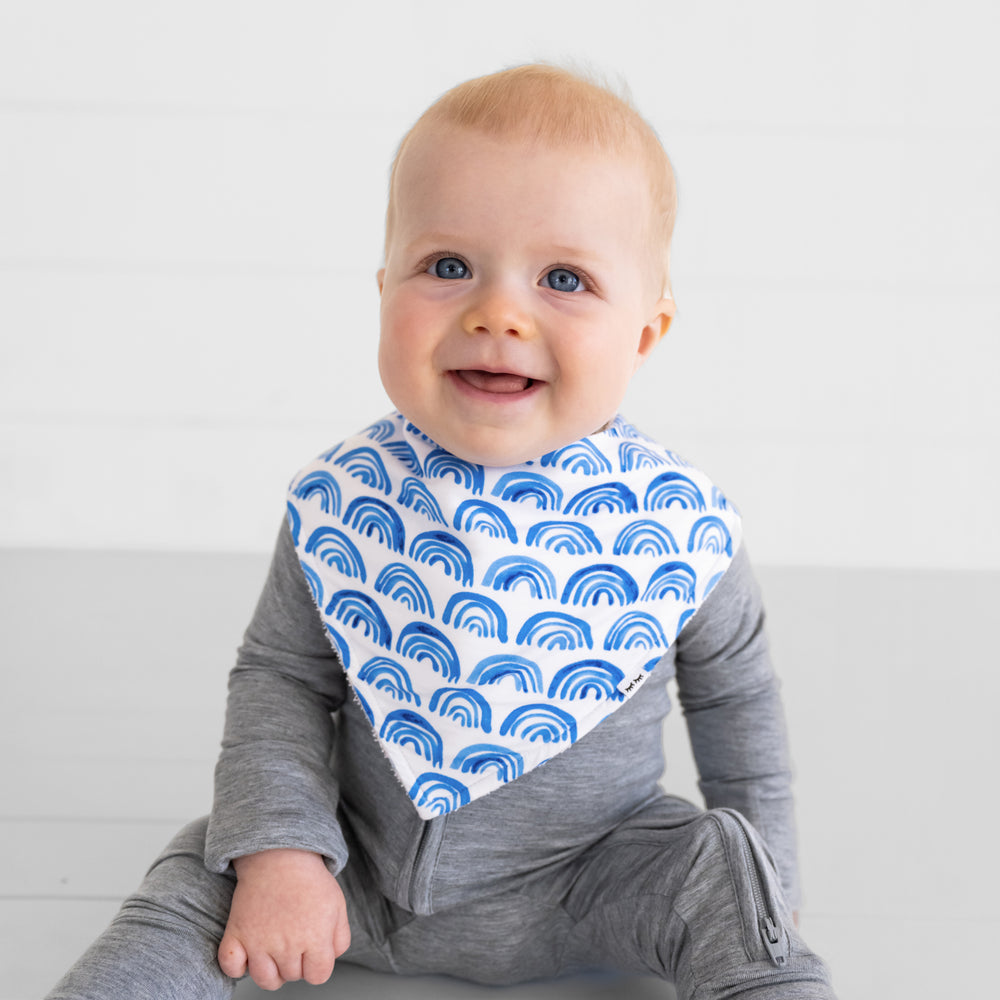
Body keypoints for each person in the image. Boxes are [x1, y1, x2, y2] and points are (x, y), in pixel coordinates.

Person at [47, 64, 836, 999]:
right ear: (385, 288)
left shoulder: (680, 530)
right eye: (449, 266)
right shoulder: (347, 502)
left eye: (565, 278)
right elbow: (282, 677)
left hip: (593, 880)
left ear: (645, 333)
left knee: (720, 872)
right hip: (354, 869)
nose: (497, 312)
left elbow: (737, 705)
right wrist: (285, 851)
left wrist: (768, 892)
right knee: (200, 869)